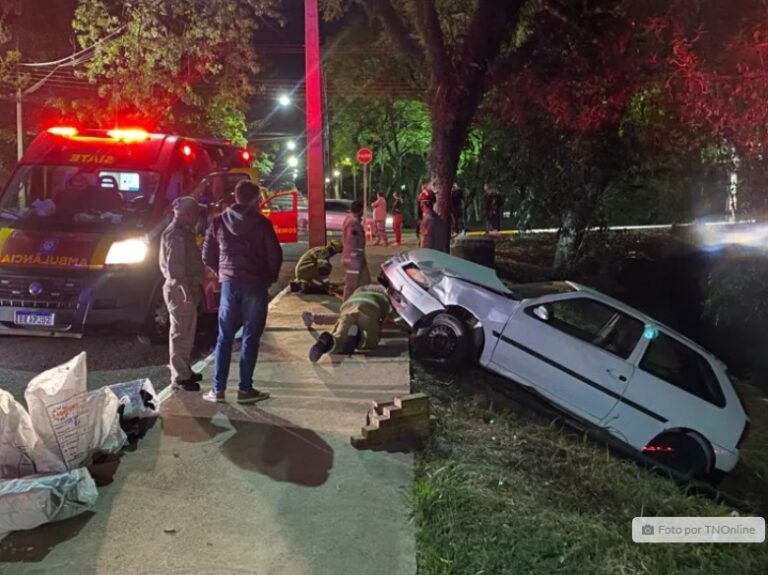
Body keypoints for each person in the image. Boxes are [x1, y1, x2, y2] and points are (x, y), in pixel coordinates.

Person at [202, 180, 283, 404]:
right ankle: (245, 389)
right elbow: (274, 255)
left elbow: (207, 254)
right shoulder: (262, 224)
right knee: (251, 337)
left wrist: (223, 273)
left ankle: (218, 390)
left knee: (224, 337)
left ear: (235, 196)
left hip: (229, 285)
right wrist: (269, 278)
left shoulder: (218, 222)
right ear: (256, 199)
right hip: (255, 285)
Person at [159, 196, 205, 392]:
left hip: (185, 289)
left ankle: (184, 370)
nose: (197, 217)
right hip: (181, 290)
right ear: (187, 214)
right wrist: (185, 290)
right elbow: (175, 268)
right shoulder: (176, 235)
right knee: (181, 333)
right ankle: (180, 376)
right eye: (195, 213)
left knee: (186, 331)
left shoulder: (183, 233)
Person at [306, 284, 392, 362]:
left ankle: (329, 341)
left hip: (347, 308)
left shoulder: (357, 294)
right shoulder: (384, 298)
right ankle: (355, 338)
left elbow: (337, 318)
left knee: (339, 336)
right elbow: (385, 320)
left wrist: (315, 318)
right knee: (370, 343)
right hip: (368, 309)